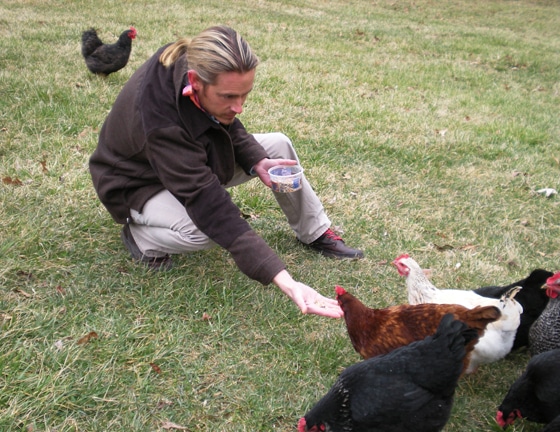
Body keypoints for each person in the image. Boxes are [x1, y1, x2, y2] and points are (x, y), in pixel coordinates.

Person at [89, 25, 363, 319]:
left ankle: (315, 231)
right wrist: (285, 280)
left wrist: (257, 160)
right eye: (230, 96)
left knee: (278, 147)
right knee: (202, 230)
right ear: (196, 82)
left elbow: (224, 120)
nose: (239, 107)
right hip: (137, 183)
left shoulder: (195, 63)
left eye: (245, 95)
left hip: (191, 161)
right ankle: (141, 238)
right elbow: (210, 206)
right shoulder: (161, 122)